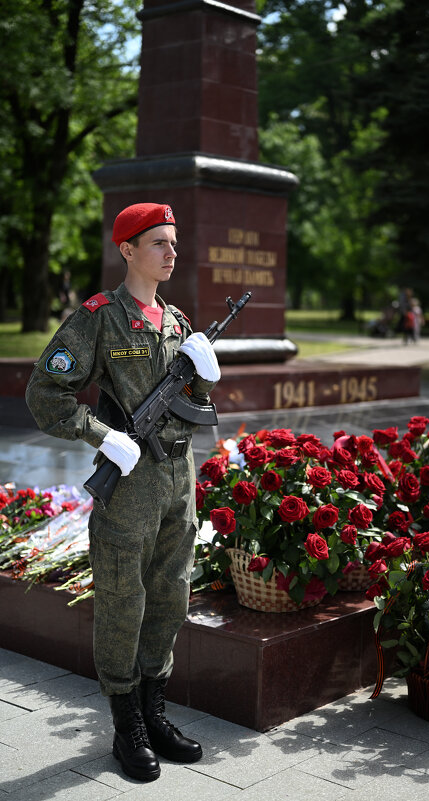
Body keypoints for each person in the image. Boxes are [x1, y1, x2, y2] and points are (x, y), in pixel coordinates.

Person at [25, 202, 221, 782]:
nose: (171, 251)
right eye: (157, 241)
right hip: (130, 485)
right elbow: (46, 393)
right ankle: (125, 725)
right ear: (128, 250)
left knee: (171, 596)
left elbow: (196, 407)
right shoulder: (99, 318)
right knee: (122, 603)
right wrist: (102, 434)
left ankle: (154, 713)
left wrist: (205, 372)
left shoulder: (177, 323)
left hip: (178, 481)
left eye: (173, 241)